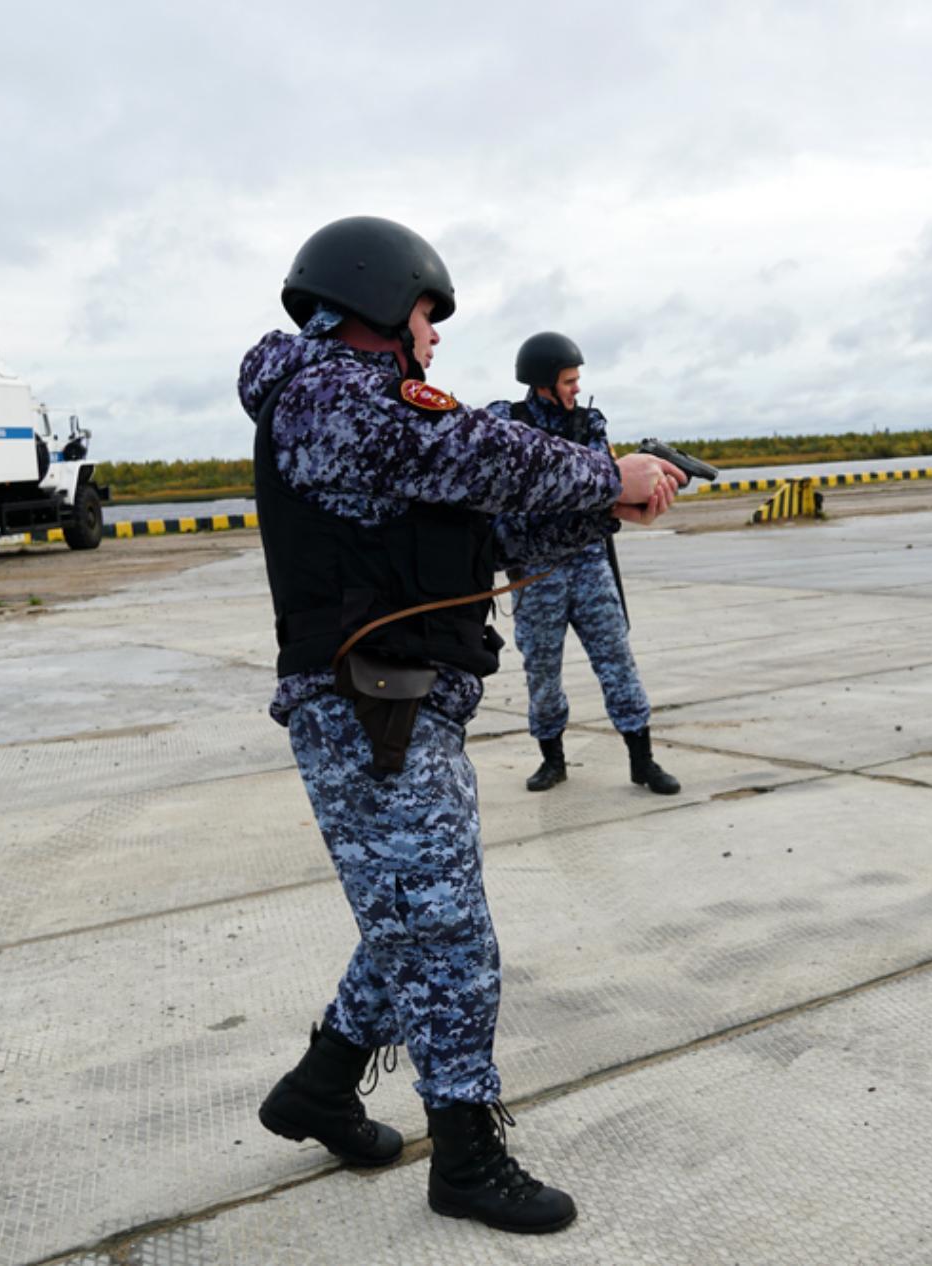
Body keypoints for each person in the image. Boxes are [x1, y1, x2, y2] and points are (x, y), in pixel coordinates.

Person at [237, 216, 682, 1234]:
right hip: (363, 707)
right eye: (429, 318)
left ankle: (320, 1084)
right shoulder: (324, 393)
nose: (433, 341)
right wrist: (604, 473)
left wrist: (610, 504)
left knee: (411, 918)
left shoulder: (357, 411)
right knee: (448, 936)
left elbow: (484, 515)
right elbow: (469, 447)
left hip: (397, 702)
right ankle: (467, 1154)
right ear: (385, 302)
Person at [490, 331, 681, 796]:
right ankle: (551, 760)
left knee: (616, 659)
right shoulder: (507, 422)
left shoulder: (589, 424)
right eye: (568, 380)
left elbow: (604, 488)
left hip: (590, 563)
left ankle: (643, 760)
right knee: (542, 669)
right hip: (537, 573)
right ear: (541, 383)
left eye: (578, 380)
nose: (577, 388)